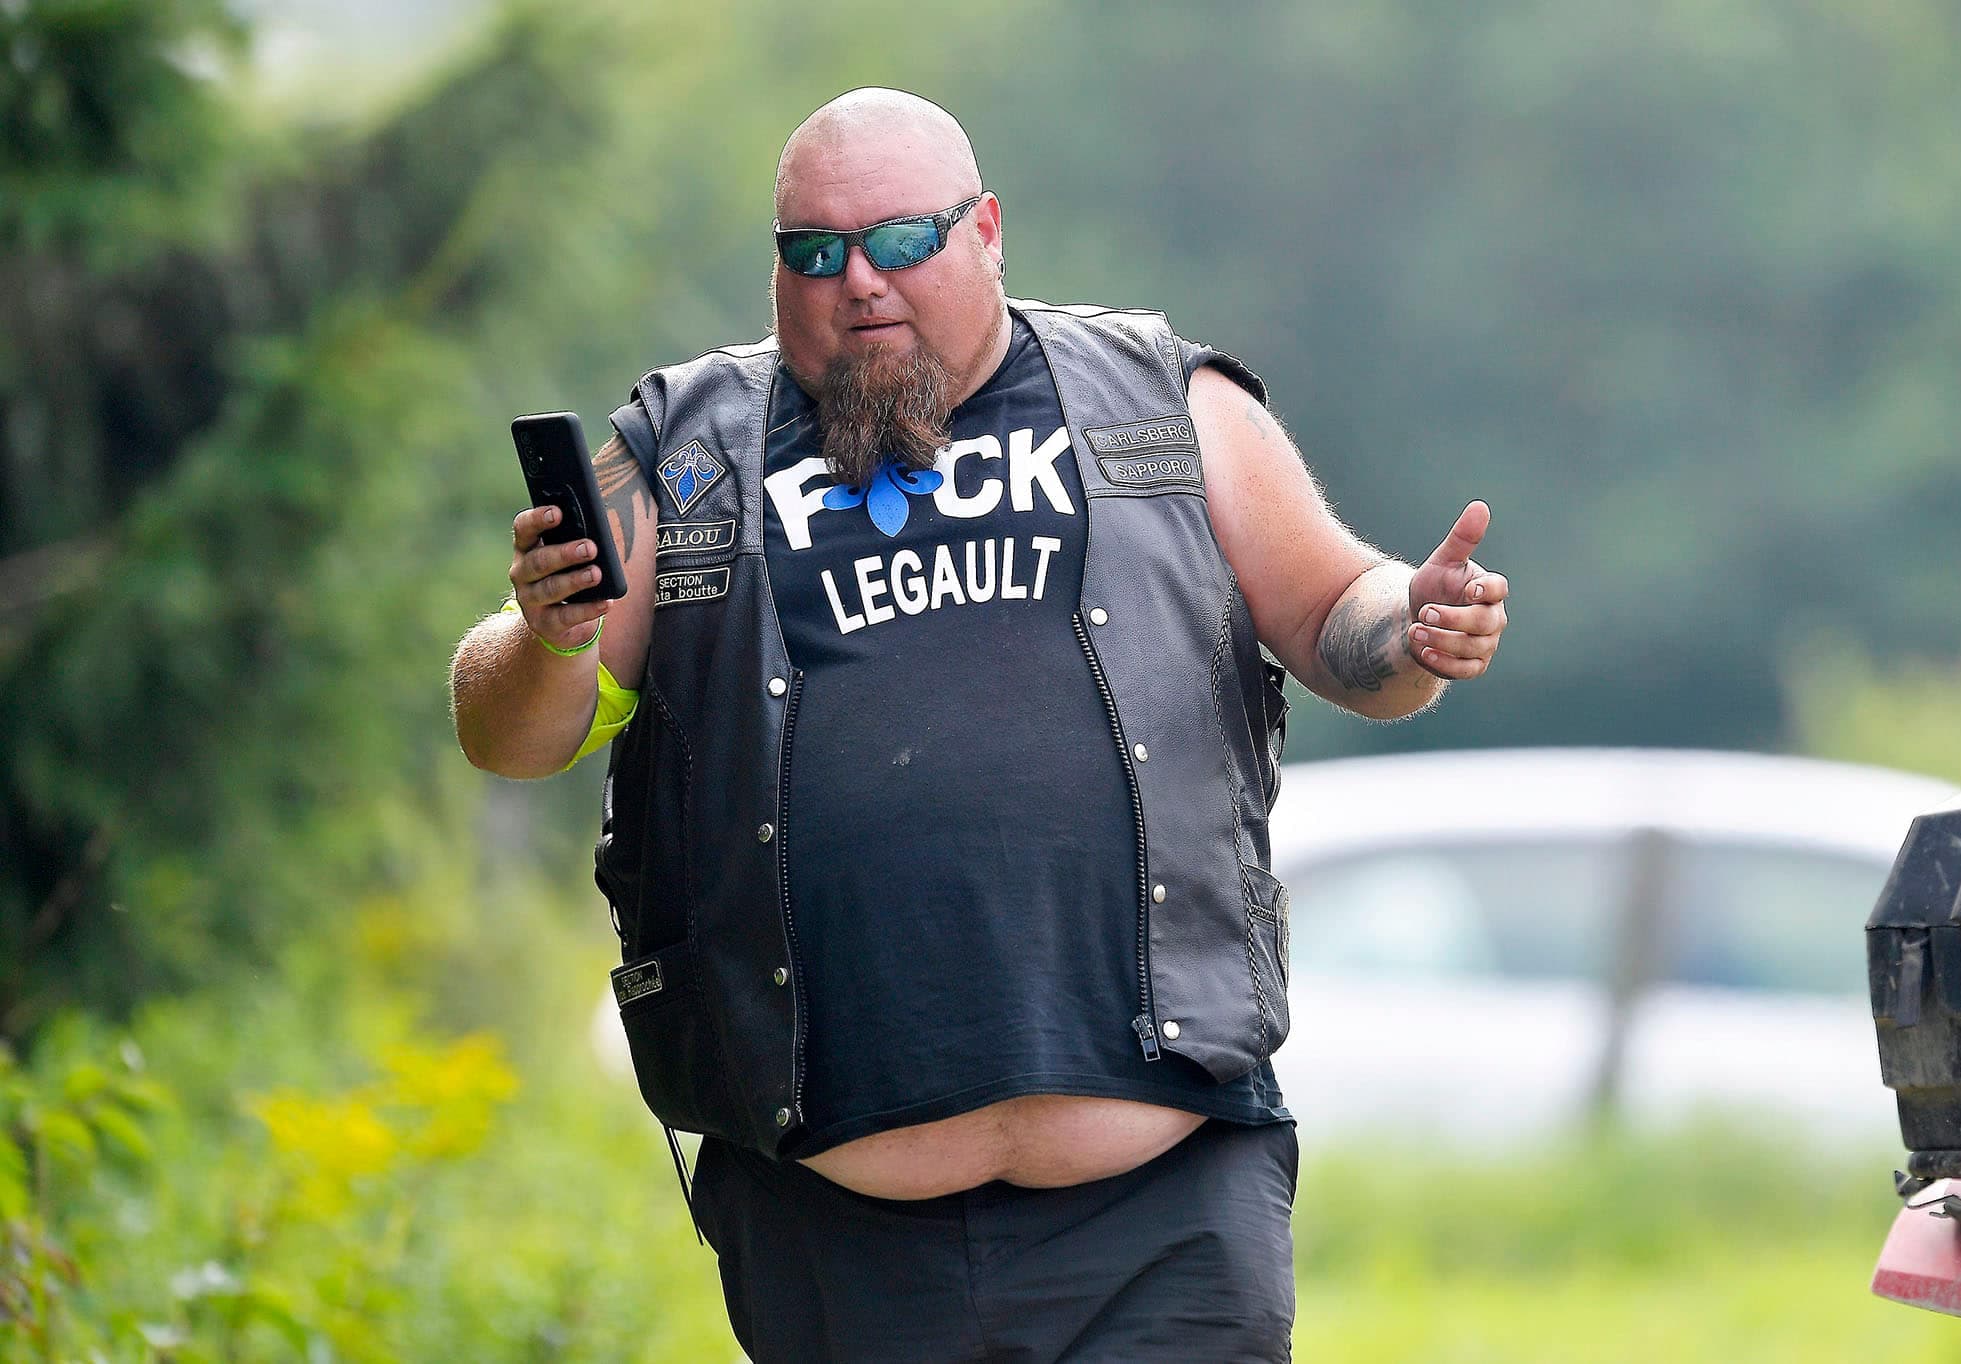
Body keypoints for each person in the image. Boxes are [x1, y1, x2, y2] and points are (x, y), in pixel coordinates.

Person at [451, 88, 1508, 1363]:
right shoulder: (684, 454)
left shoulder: (1160, 403)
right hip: (836, 1235)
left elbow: (1343, 615)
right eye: (814, 250)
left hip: (1163, 1218)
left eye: (900, 241)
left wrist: (1417, 619)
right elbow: (510, 730)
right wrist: (549, 635)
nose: (858, 282)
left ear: (987, 231)